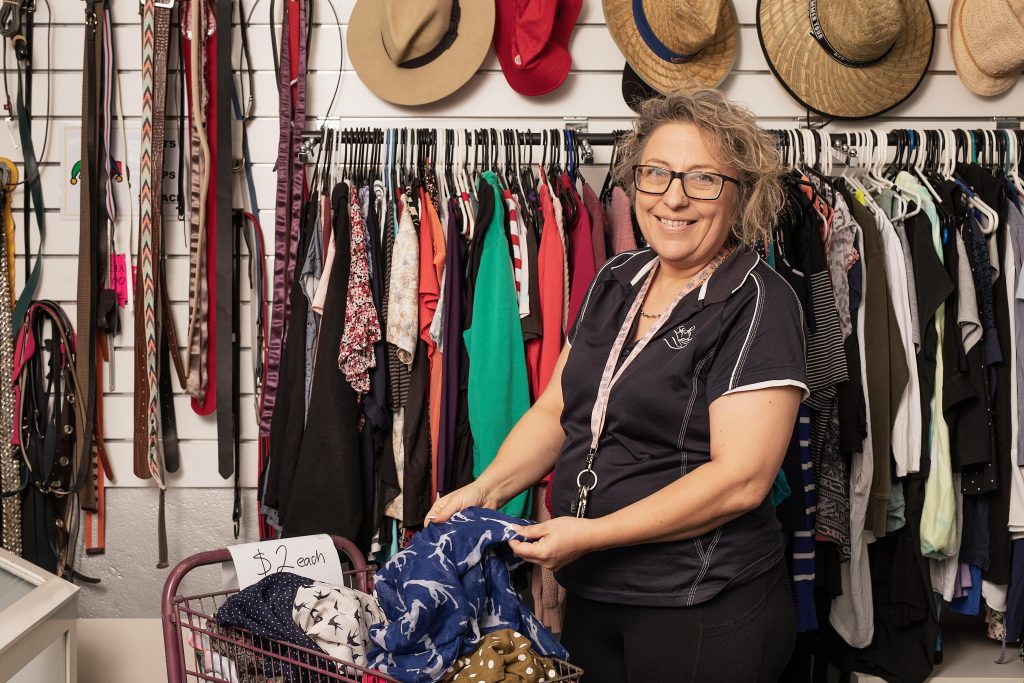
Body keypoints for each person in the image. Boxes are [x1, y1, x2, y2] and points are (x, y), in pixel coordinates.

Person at [425, 89, 806, 682]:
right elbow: (559, 408)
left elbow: (742, 480)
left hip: (700, 602)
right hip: (596, 592)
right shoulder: (617, 277)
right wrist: (488, 489)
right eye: (656, 174)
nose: (673, 197)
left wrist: (592, 534)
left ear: (741, 193)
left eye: (703, 179)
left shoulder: (760, 301)